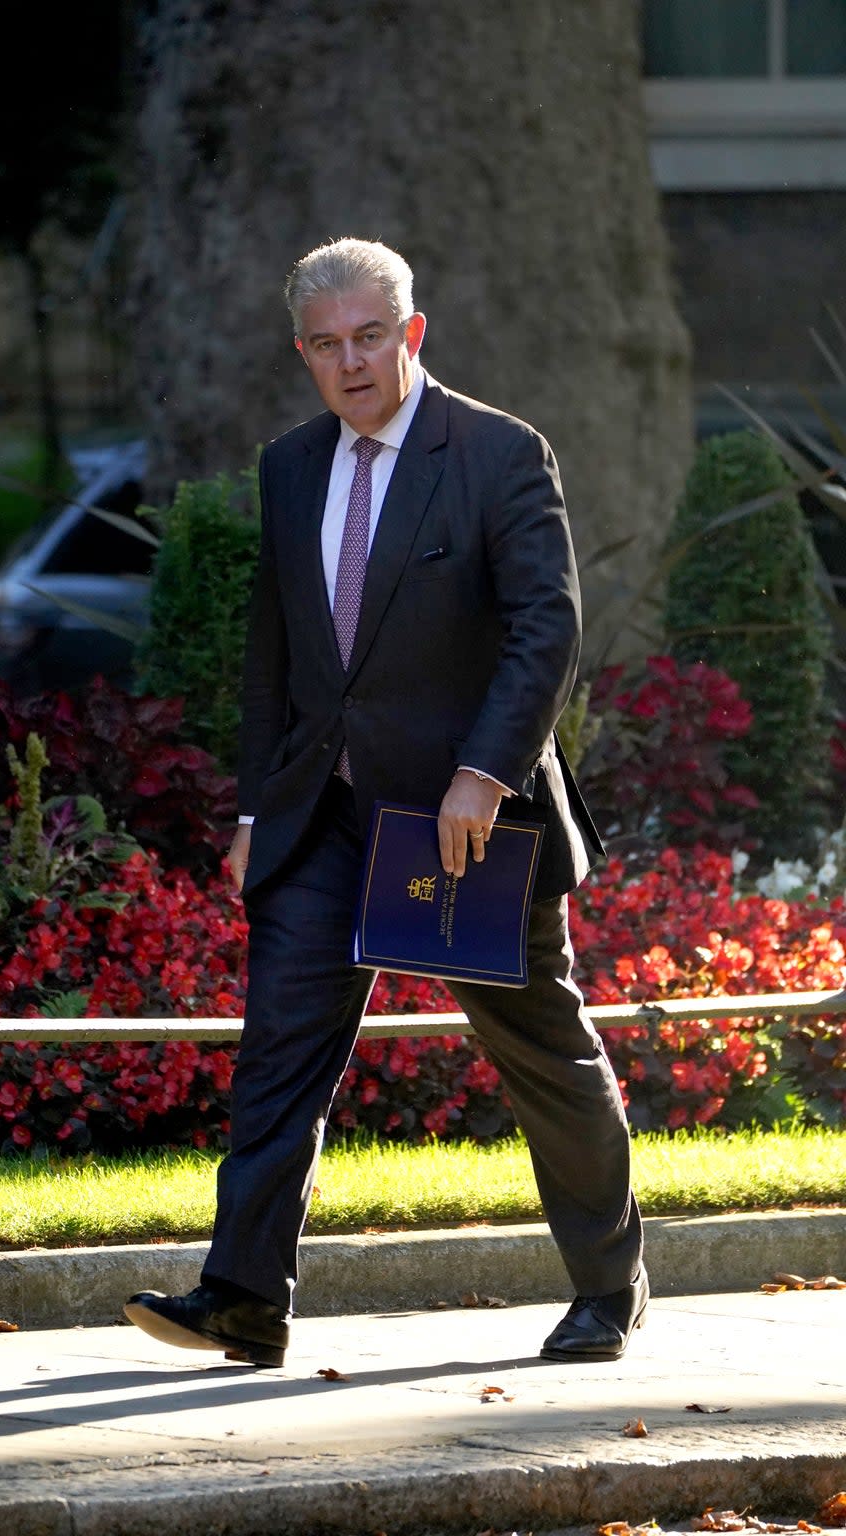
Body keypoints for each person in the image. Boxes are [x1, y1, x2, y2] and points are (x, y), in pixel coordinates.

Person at [126, 237, 646, 1369]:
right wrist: (260, 806)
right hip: (322, 813)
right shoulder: (292, 464)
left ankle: (609, 1285)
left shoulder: (500, 453)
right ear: (302, 352)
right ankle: (243, 1298)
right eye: (326, 343)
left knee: (538, 1053)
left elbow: (542, 629)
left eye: (371, 336)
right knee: (278, 1050)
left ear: (411, 335)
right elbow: (279, 650)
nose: (351, 362)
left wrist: (483, 773)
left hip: (456, 825)